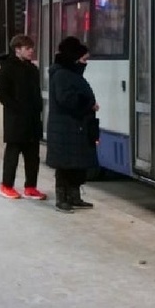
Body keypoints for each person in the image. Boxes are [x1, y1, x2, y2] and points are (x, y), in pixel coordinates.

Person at [45, 36, 100, 213]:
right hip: (66, 127)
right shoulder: (62, 75)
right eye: (84, 60)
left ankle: (74, 196)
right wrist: (88, 105)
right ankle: (63, 198)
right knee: (65, 166)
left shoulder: (69, 73)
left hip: (74, 127)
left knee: (76, 164)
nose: (85, 63)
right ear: (74, 58)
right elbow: (66, 99)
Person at [0, 34, 46, 200]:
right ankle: (6, 185)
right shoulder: (8, 68)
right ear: (17, 49)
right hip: (16, 120)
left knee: (33, 156)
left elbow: (36, 93)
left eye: (32, 48)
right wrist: (17, 107)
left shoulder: (32, 69)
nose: (31, 51)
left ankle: (31, 186)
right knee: (13, 154)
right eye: (27, 49)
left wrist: (37, 108)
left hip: (32, 120)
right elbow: (0, 93)